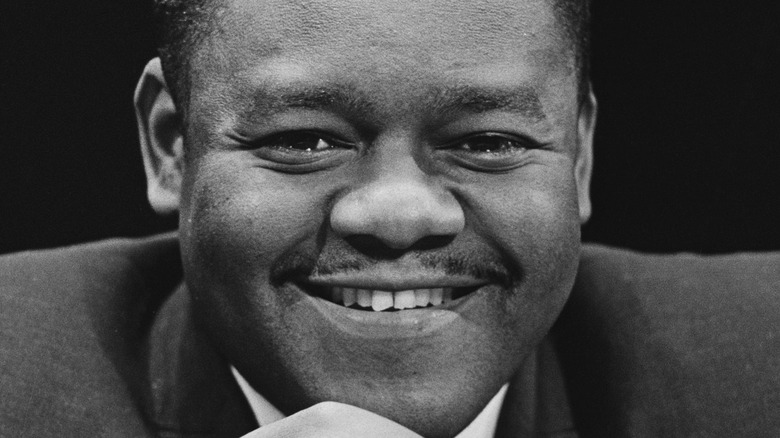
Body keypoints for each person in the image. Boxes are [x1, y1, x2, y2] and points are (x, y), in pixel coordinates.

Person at [1, 0, 778, 437]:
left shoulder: (754, 375)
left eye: (488, 142)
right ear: (172, 145)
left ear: (577, 157)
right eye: (303, 139)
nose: (400, 213)